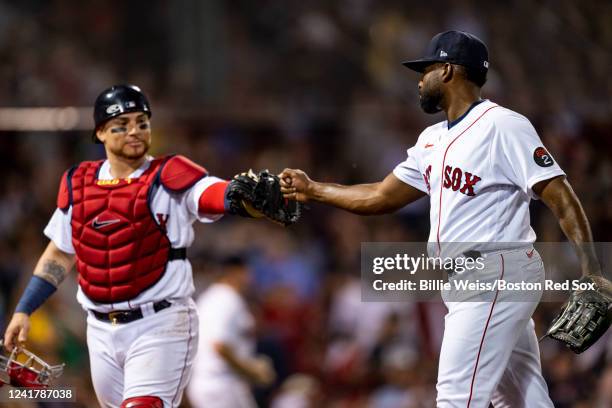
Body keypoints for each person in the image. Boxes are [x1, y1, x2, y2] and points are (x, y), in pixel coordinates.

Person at [280, 31, 605, 407]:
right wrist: (315, 189)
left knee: (455, 397)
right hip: (476, 278)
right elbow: (380, 196)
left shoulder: (503, 125)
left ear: (449, 70)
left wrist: (592, 270)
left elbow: (560, 195)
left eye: (426, 70)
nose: (419, 80)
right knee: (520, 398)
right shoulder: (431, 139)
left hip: (494, 271)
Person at [2, 84, 286, 408]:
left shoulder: (169, 174)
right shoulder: (78, 182)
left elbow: (210, 193)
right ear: (100, 133)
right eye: (121, 125)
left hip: (161, 324)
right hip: (99, 329)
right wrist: (25, 308)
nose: (134, 130)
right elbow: (61, 251)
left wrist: (240, 195)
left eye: (142, 122)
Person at [187, 255, 275, 408]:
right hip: (221, 384)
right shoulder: (227, 299)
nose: (249, 277)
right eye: (246, 272)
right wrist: (250, 370)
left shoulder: (211, 297)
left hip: (213, 381)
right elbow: (219, 346)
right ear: (234, 272)